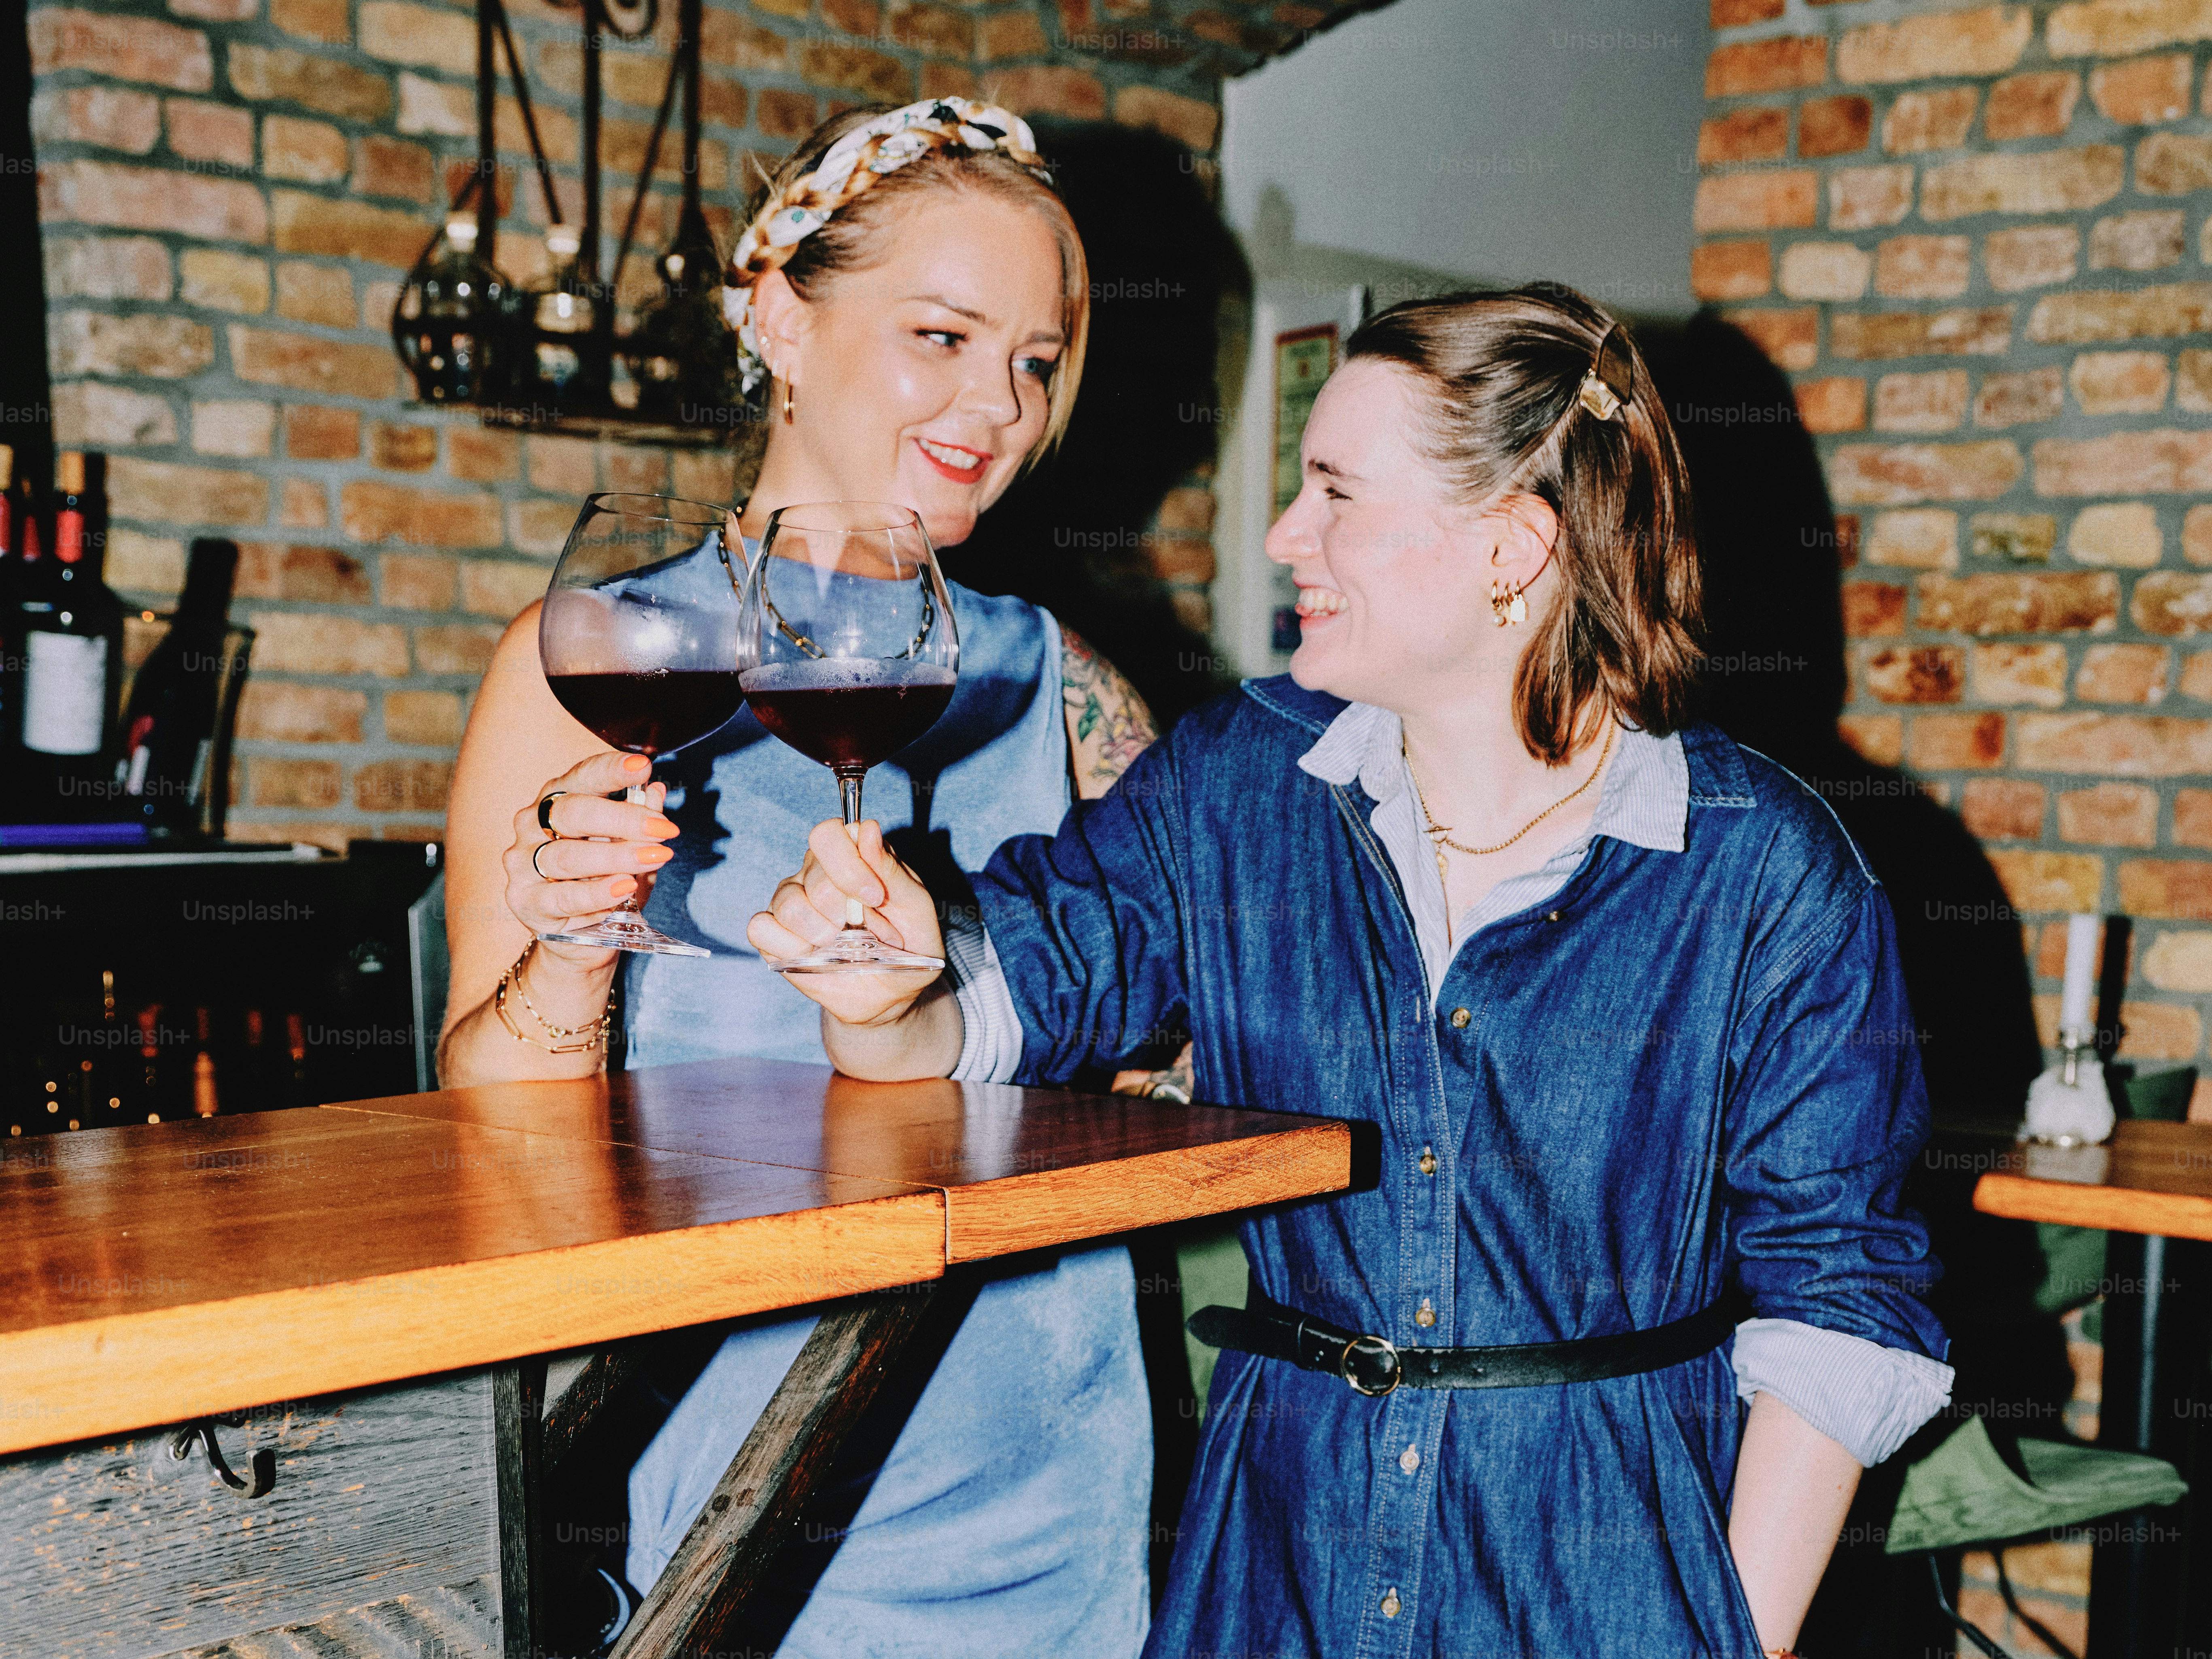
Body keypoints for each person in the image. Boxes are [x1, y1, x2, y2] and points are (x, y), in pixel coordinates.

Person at [749, 285, 1956, 1658]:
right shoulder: (1235, 780)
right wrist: (880, 991)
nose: (1282, 536)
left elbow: (1838, 1305)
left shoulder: (1769, 873)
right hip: (1277, 1551)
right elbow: (980, 1010)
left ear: (1511, 544)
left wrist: (1733, 1638)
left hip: (1597, 1570)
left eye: (1331, 490)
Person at [439, 100, 1163, 1657]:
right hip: (737, 1506)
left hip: (1051, 1501)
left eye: (1033, 361)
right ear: (780, 315)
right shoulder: (589, 662)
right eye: (944, 334)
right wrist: (568, 954)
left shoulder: (1072, 689)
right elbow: (485, 1146)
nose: (998, 403)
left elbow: (1170, 1093)